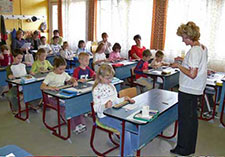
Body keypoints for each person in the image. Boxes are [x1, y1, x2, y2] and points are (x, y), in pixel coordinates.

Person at [170, 21, 208, 156]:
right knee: (191, 119)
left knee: (185, 119)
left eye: (183, 37)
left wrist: (178, 65)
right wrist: (183, 60)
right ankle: (189, 147)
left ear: (188, 36)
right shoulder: (202, 47)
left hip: (188, 89)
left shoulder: (194, 51)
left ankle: (182, 148)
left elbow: (192, 74)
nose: (182, 40)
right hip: (196, 89)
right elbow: (196, 66)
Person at [92, 64, 136, 155]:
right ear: (100, 77)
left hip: (115, 113)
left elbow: (115, 101)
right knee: (125, 130)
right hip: (104, 117)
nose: (110, 81)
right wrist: (104, 106)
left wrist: (124, 99)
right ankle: (126, 154)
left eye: (111, 78)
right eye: (108, 79)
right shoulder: (96, 90)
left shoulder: (111, 86)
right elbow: (96, 108)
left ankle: (131, 148)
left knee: (132, 125)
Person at [40, 56, 85, 133]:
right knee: (64, 109)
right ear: (55, 67)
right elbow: (42, 86)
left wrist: (74, 81)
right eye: (60, 69)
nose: (62, 71)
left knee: (75, 105)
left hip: (61, 95)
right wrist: (51, 88)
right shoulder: (50, 75)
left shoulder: (64, 74)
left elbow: (71, 78)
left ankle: (80, 123)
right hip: (52, 98)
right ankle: (74, 127)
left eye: (64, 69)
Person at [5, 49, 27, 114]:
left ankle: (33, 104)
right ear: (13, 57)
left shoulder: (23, 65)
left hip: (25, 85)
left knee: (38, 89)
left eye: (21, 58)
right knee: (10, 95)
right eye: (18, 58)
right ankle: (16, 108)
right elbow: (9, 75)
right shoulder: (10, 67)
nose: (20, 60)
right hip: (16, 86)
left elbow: (27, 74)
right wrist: (10, 76)